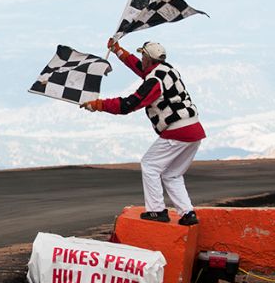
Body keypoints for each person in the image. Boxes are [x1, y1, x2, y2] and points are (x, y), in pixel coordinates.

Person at [79, 38, 206, 225]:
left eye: (142, 55)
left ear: (148, 58)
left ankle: (156, 210)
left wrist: (99, 105)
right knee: (172, 174)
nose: (141, 58)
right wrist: (118, 51)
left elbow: (129, 104)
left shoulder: (153, 81)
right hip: (195, 130)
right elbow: (141, 68)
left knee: (150, 165)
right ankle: (187, 214)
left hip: (177, 130)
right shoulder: (167, 69)